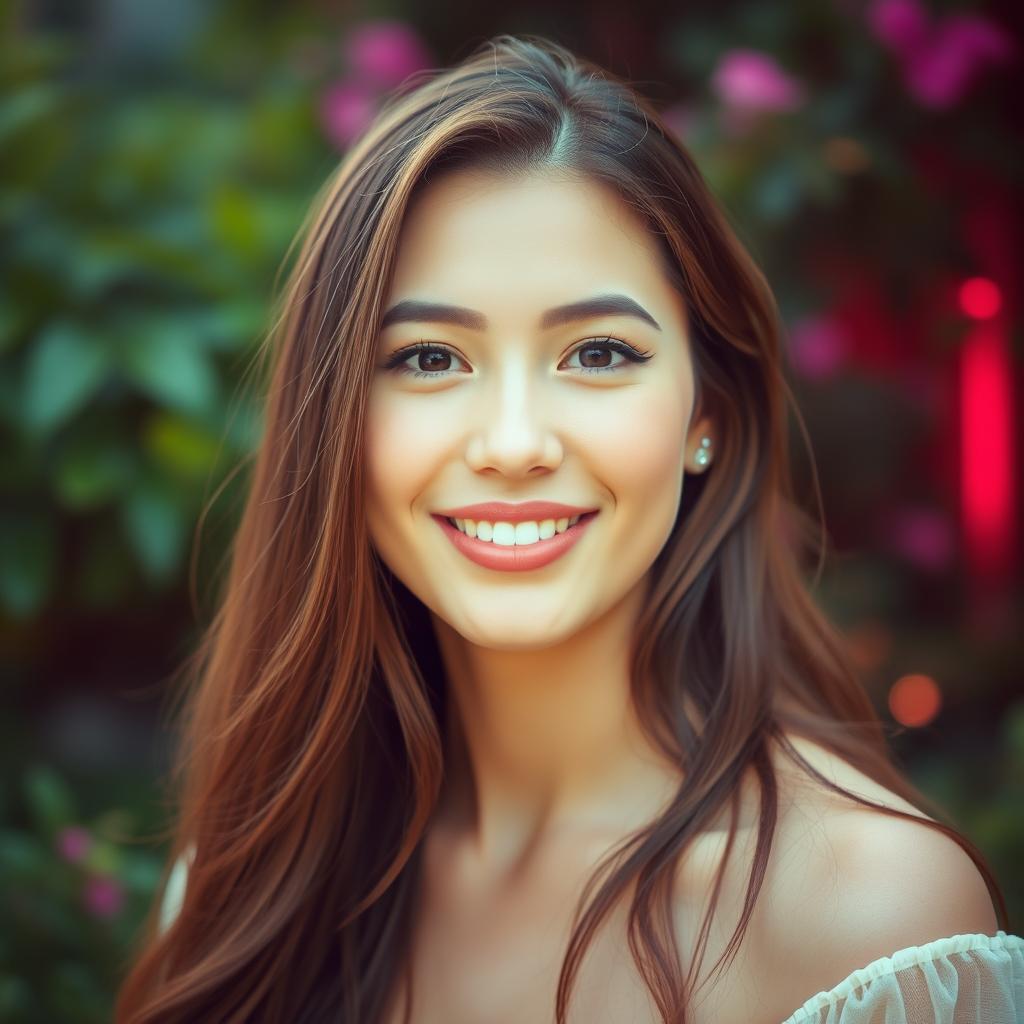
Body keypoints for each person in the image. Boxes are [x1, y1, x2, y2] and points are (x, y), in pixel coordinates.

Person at [115, 33, 1021, 1024]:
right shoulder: (252, 887)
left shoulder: (869, 921)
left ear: (705, 415)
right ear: (335, 422)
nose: (512, 443)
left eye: (595, 352)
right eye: (427, 359)